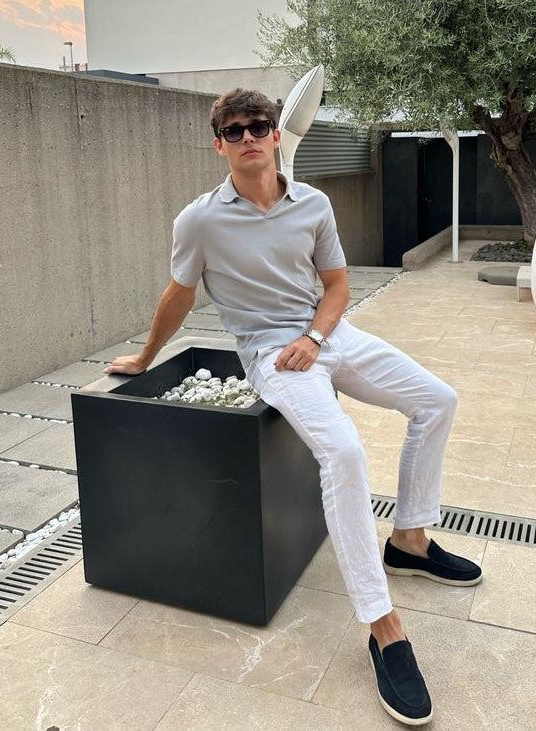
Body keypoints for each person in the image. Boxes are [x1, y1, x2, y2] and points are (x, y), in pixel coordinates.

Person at [104, 88, 482, 726]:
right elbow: (179, 293)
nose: (248, 137)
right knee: (344, 452)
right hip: (270, 354)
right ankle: (383, 626)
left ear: (276, 135)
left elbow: (337, 284)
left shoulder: (313, 203)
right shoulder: (199, 221)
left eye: (258, 126)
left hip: (327, 336)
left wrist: (316, 337)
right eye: (234, 130)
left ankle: (410, 540)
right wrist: (144, 358)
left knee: (436, 400)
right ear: (218, 144)